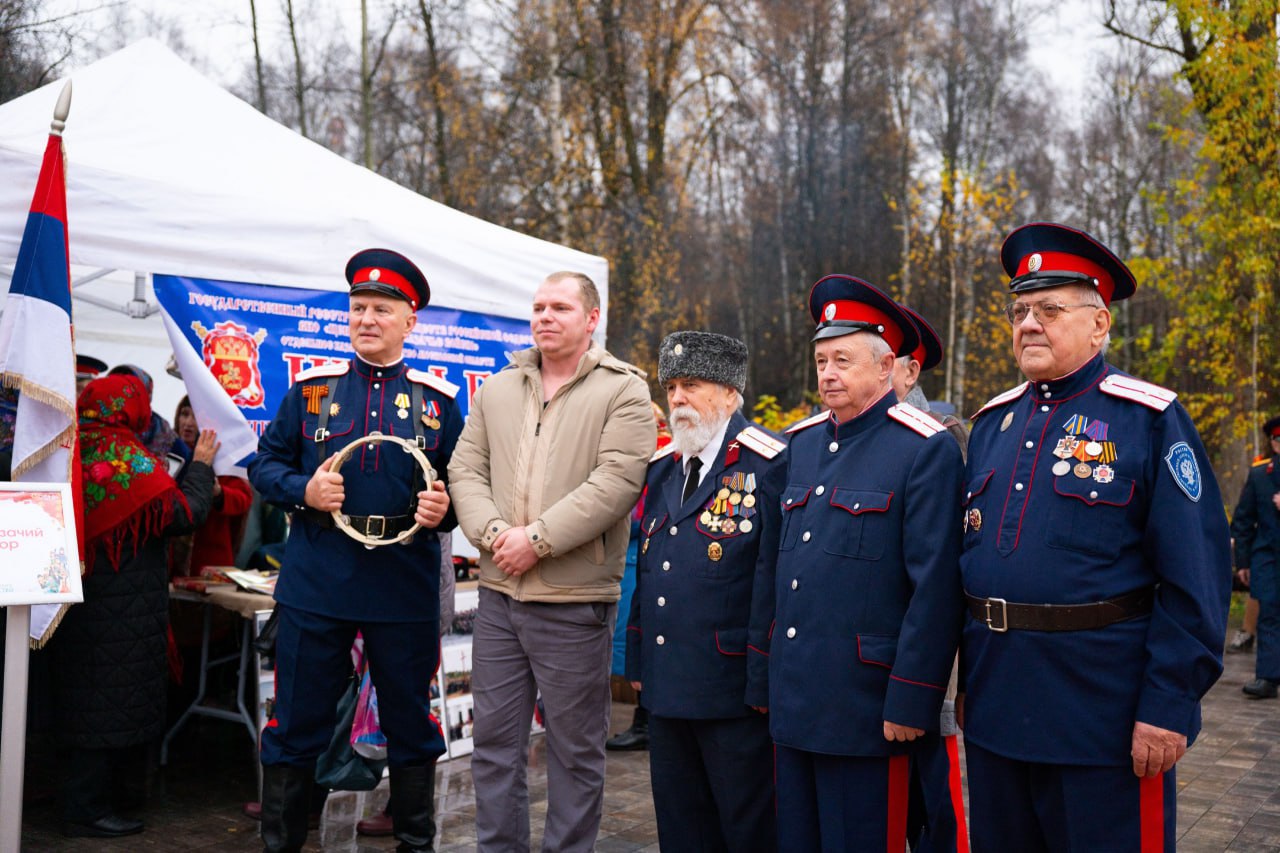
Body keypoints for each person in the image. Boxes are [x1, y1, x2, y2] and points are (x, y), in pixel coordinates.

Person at [958, 222, 1231, 851]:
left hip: (1103, 718)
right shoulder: (993, 425)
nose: (1029, 323)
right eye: (1020, 309)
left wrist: (1168, 704)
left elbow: (1196, 579)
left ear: (1099, 324)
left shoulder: (1147, 420)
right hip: (999, 711)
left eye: (1050, 309)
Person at [249, 248, 459, 853]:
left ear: (409, 320)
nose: (367, 318)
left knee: (410, 726)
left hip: (403, 584)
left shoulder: (438, 403)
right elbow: (265, 464)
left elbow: (468, 487)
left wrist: (447, 510)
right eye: (358, 307)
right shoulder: (311, 393)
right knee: (295, 723)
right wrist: (303, 490)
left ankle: (416, 844)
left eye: (382, 308)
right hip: (320, 579)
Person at [448, 270, 654, 852]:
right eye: (538, 306)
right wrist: (492, 533)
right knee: (492, 746)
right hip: (499, 597)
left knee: (575, 752)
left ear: (592, 319)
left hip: (572, 603)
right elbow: (466, 469)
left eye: (559, 307)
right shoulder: (499, 388)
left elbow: (616, 483)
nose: (544, 316)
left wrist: (535, 540)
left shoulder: (624, 391)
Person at [766, 275, 965, 852]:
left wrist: (912, 698)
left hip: (868, 709)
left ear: (886, 369)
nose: (828, 373)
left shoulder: (922, 449)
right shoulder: (800, 445)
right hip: (797, 700)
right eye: (822, 359)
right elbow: (776, 575)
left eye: (843, 360)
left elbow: (935, 590)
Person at [625, 331, 784, 852]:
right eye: (671, 387)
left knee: (745, 827)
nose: (677, 400)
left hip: (732, 690)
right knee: (680, 825)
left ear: (730, 393)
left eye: (691, 385)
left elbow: (773, 583)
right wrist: (638, 665)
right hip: (669, 688)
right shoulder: (665, 468)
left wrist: (761, 681)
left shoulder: (769, 464)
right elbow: (649, 576)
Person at [46, 374, 217, 837]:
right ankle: (87, 810)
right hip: (121, 604)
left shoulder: (66, 446)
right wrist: (201, 466)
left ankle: (80, 800)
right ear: (133, 410)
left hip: (70, 598)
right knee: (108, 705)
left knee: (82, 701)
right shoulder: (125, 455)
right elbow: (182, 513)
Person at [892, 306, 969, 852]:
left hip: (923, 656)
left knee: (933, 799)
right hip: (865, 659)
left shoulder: (939, 437)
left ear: (909, 372)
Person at [606, 400, 672, 753]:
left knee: (642, 641)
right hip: (630, 562)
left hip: (639, 562)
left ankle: (646, 722)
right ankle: (644, 721)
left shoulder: (661, 460)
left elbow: (643, 515)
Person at [1232, 415, 1280, 699]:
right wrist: (1244, 562)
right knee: (1270, 615)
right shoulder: (1260, 474)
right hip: (1267, 558)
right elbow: (1242, 520)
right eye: (1277, 439)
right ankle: (1268, 677)